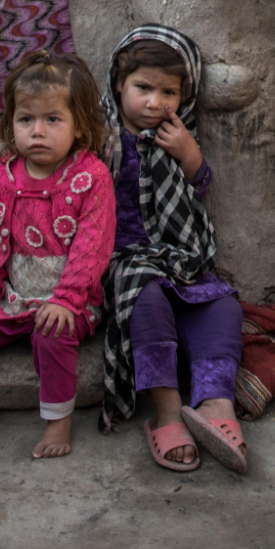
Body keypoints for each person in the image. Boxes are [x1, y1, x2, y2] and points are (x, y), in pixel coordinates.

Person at [0, 51, 114, 469]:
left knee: (52, 334)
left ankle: (57, 421)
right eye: (26, 119)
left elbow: (93, 246)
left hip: (72, 301)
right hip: (10, 298)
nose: (38, 132)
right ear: (11, 124)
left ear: (79, 125)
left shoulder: (91, 177)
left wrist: (66, 298)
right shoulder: (2, 175)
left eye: (53, 119)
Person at [99, 25, 248, 473]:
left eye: (169, 92)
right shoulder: (101, 139)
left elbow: (200, 186)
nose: (155, 102)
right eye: (143, 88)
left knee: (222, 306)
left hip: (180, 257)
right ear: (119, 84)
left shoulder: (177, 132)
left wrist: (189, 153)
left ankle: (216, 407)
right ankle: (166, 412)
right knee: (145, 302)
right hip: (126, 261)